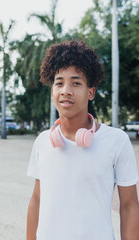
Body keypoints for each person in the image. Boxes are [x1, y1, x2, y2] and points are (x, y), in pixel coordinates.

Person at [26, 40, 139, 240]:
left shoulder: (117, 141)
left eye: (76, 83)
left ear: (91, 92)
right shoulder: (43, 141)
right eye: (59, 83)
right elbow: (36, 199)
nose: (66, 90)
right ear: (52, 91)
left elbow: (129, 206)